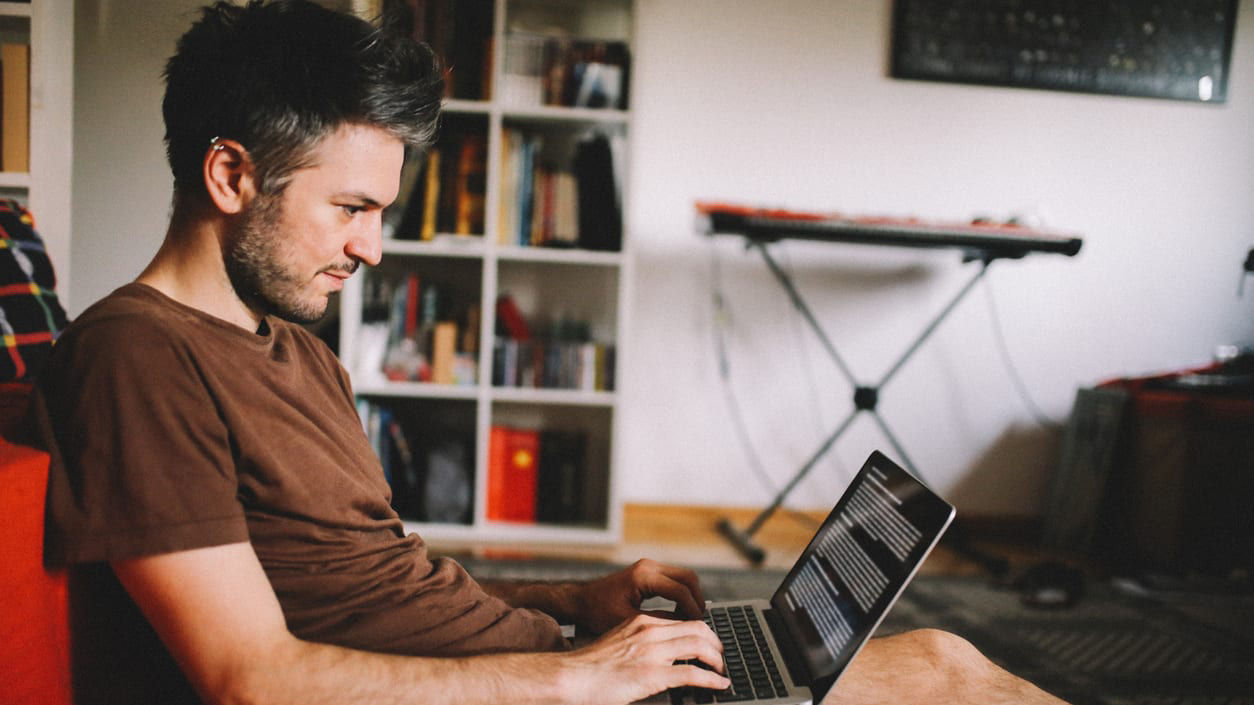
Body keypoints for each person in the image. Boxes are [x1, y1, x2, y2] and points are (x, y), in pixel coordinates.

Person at [34, 2, 1067, 704]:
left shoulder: (294, 349)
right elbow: (250, 675)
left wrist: (575, 604)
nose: (373, 248)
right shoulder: (138, 358)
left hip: (548, 669)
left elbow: (379, 583)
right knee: (941, 672)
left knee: (936, 656)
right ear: (230, 176)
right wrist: (576, 678)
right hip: (547, 692)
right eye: (350, 208)